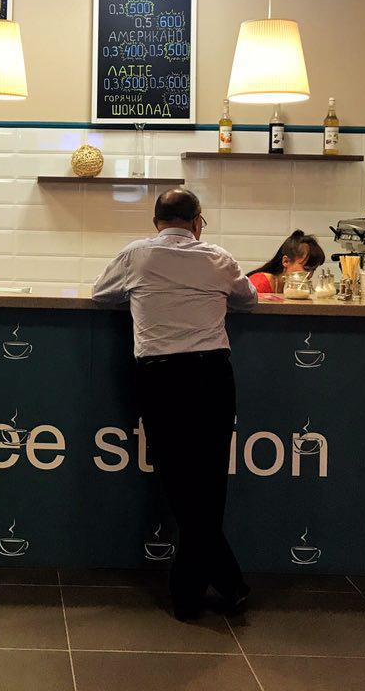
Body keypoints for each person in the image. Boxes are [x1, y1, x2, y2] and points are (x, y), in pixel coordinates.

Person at [92, 188, 258, 619]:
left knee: (179, 481)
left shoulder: (136, 255)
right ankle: (222, 584)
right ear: (198, 222)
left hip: (161, 376)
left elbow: (100, 294)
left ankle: (194, 596)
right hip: (212, 374)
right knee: (210, 482)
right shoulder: (219, 258)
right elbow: (249, 299)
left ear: (156, 222)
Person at [246, 230, 325, 294]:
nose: (310, 275)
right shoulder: (260, 283)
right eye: (306, 268)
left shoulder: (292, 288)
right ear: (286, 261)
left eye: (313, 270)